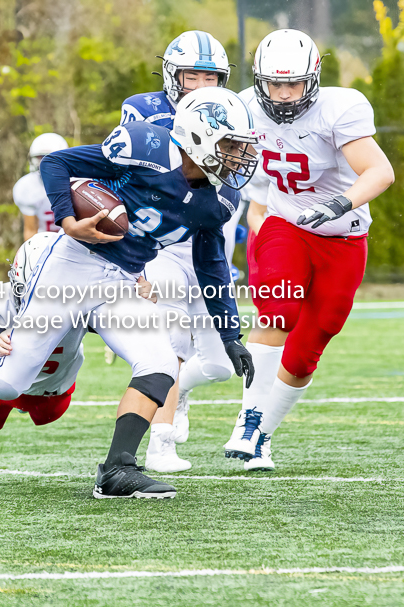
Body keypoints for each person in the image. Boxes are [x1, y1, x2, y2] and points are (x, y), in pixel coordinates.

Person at [0, 87, 257, 499]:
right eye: (230, 145)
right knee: (11, 384)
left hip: (123, 281)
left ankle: (118, 469)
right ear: (197, 136)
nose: (237, 157)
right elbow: (57, 163)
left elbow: (211, 264)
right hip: (72, 265)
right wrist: (67, 220)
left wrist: (230, 336)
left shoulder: (221, 198)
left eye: (240, 147)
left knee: (159, 364)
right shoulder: (146, 145)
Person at [223, 29, 394, 470]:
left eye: (292, 84)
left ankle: (262, 436)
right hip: (287, 226)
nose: (281, 95)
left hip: (344, 235)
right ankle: (248, 419)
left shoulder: (341, 108)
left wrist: (339, 203)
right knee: (280, 312)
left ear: (313, 77)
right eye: (273, 84)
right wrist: (265, 240)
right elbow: (255, 197)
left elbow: (380, 172)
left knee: (306, 351)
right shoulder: (243, 109)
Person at [119, 30, 240, 471]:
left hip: (207, 240)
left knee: (220, 365)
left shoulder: (231, 113)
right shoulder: (145, 111)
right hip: (163, 242)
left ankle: (179, 391)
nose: (203, 87)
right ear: (172, 76)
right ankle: (160, 443)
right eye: (193, 76)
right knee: (169, 346)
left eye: (212, 78)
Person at [0, 232, 158, 471]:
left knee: (49, 416)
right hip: (7, 376)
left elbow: (118, 315)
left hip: (55, 384)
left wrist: (138, 298)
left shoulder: (80, 295)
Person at [14, 133, 69, 241]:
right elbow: (30, 230)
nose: (44, 163)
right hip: (43, 243)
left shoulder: (77, 182)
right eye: (41, 158)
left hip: (74, 242)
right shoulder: (27, 186)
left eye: (49, 158)